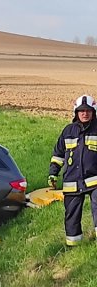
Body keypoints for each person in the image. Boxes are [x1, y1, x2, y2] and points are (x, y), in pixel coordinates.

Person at [49, 94, 97, 246]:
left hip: (95, 180)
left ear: (94, 112)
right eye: (81, 110)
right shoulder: (68, 131)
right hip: (72, 182)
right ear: (76, 112)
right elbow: (58, 154)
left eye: (88, 110)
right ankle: (73, 245)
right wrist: (53, 173)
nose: (85, 113)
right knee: (71, 215)